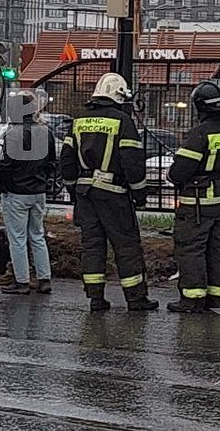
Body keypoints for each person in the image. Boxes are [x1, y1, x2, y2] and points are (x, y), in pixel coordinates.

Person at [60, 73, 159, 312]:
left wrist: (72, 188)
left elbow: (67, 158)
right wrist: (139, 194)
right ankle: (135, 299)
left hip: (85, 195)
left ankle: (95, 298)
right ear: (119, 95)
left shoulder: (79, 120)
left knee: (92, 245)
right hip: (113, 195)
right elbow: (132, 162)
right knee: (126, 245)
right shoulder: (122, 121)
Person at [167, 81, 220, 313]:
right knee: (219, 248)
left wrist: (174, 175)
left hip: (198, 201)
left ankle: (192, 298)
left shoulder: (200, 133)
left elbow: (179, 171)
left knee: (191, 248)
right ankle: (219, 296)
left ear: (199, 107)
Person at [0, 90, 56, 295]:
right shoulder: (45, 131)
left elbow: (7, 165)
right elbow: (51, 162)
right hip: (38, 191)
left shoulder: (13, 133)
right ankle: (44, 279)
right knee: (37, 235)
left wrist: (2, 187)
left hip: (16, 192)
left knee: (17, 239)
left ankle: (22, 281)